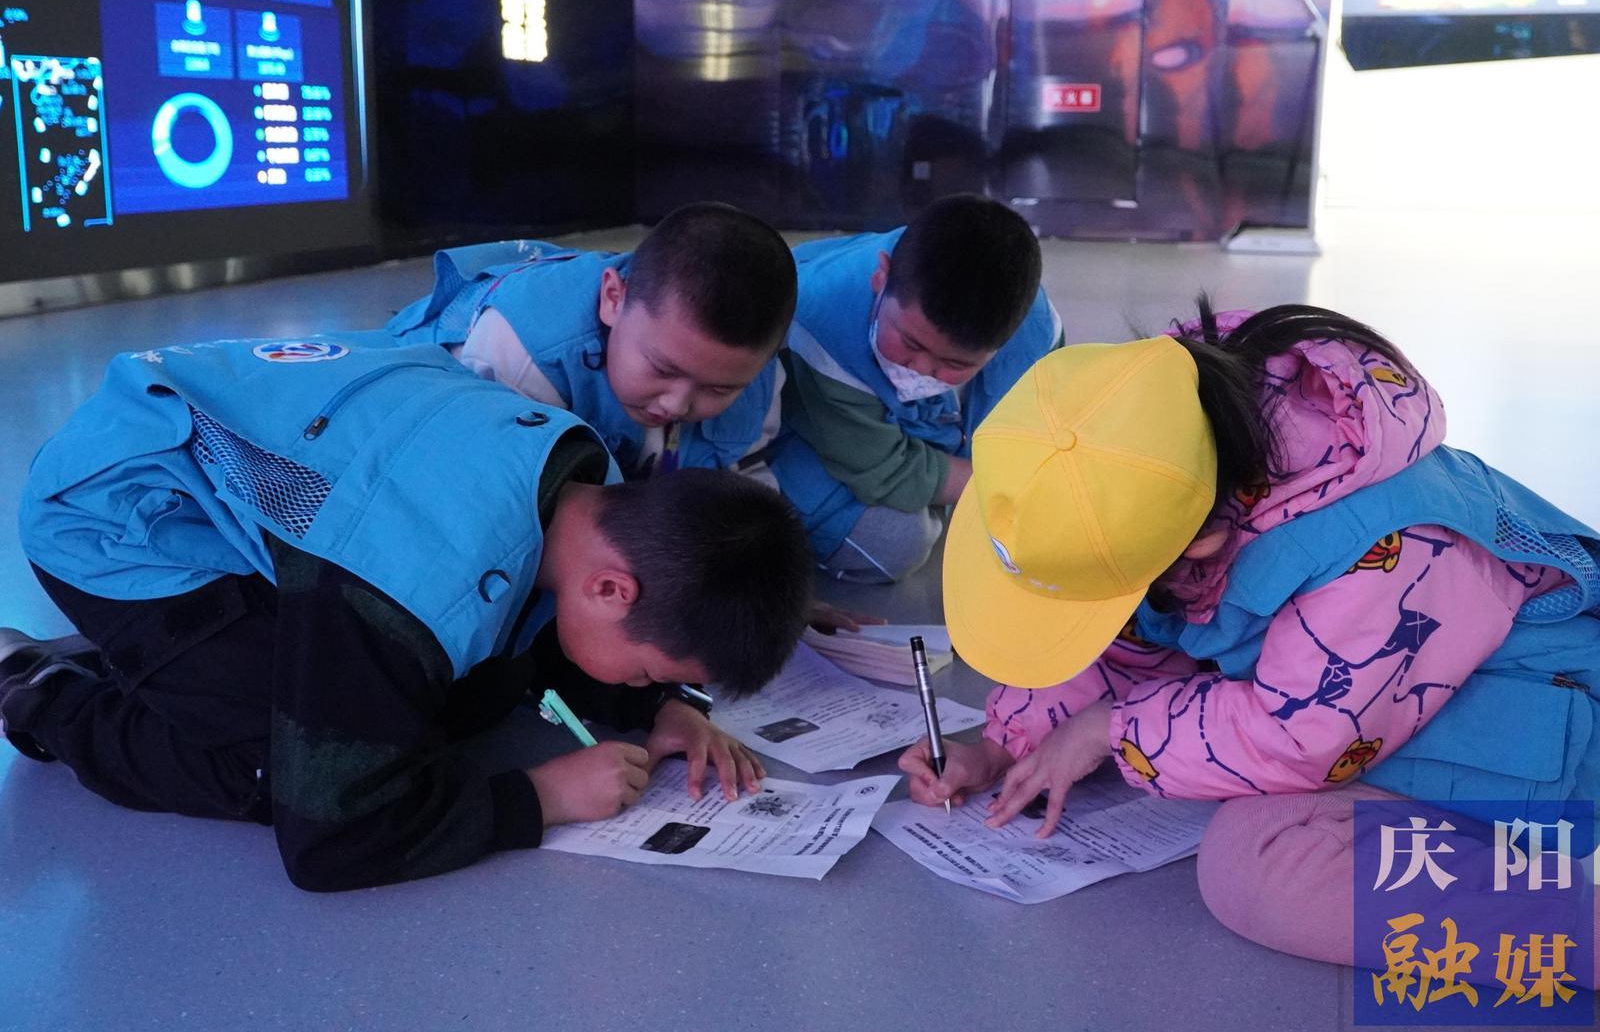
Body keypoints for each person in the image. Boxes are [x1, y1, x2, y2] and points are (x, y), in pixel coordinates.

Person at [901, 301, 1600, 970]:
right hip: (1378, 699)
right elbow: (1126, 626)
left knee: (1258, 867)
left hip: (1535, 739)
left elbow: (1301, 736)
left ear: (1201, 545)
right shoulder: (1168, 435)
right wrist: (1003, 746)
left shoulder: (1387, 548)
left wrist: (1108, 727)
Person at [1, 335, 813, 891]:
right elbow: (327, 839)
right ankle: (43, 688)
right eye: (646, 671)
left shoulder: (589, 477)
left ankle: (166, 669)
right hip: (118, 522)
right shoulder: (408, 577)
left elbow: (550, 624)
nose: (640, 681)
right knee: (284, 767)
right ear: (611, 589)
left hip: (239, 469)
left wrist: (661, 707)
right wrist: (536, 799)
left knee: (457, 698)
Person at [766, 193, 1061, 584]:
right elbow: (881, 468)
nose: (921, 370)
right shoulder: (817, 325)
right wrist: (1007, 489)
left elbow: (1033, 432)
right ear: (881, 277)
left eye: (956, 364)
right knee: (895, 543)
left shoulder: (1035, 334)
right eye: (910, 342)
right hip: (825, 430)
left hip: (903, 439)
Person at [385, 201, 795, 480]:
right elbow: (496, 504)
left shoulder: (752, 368)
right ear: (613, 299)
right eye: (662, 368)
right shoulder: (518, 356)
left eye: (718, 390)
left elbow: (747, 478)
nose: (676, 405)